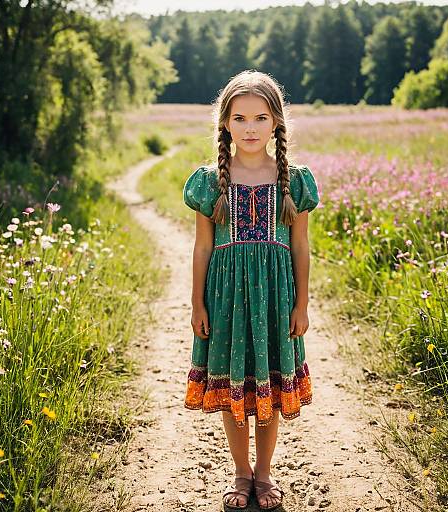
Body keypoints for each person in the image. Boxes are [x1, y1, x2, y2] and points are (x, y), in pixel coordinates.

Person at [182, 69, 320, 510]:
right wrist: (196, 301)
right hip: (225, 302)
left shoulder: (293, 181)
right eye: (239, 119)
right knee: (233, 386)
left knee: (268, 387)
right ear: (225, 124)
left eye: (260, 118)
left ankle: (264, 474)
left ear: (276, 122)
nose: (250, 128)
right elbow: (203, 247)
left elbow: (300, 246)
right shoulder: (209, 181)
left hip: (275, 302)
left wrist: (302, 303)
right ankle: (240, 473)